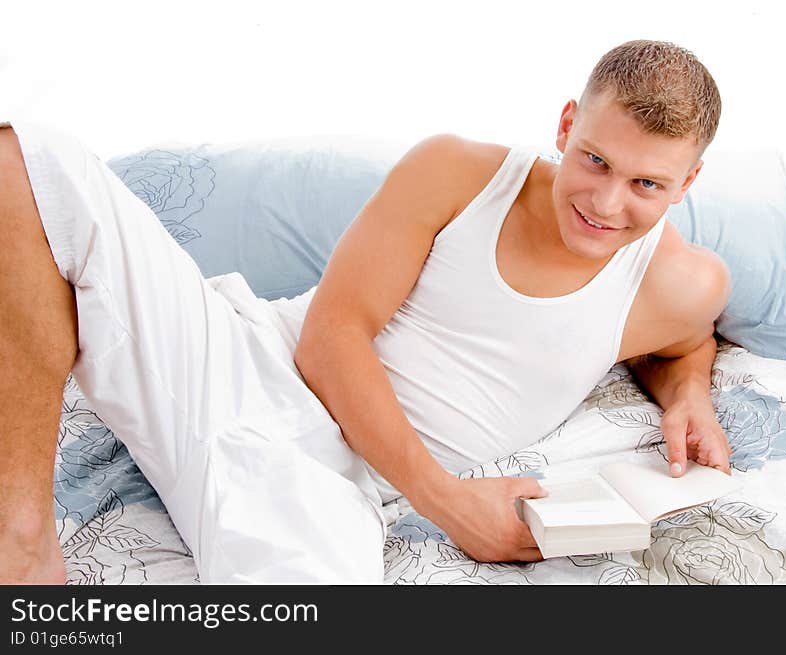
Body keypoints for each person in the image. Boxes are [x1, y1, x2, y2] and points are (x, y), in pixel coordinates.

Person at [0, 39, 731, 585]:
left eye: (645, 183)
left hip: (325, 483)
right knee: (26, 159)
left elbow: (684, 342)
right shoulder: (458, 172)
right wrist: (450, 503)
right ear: (569, 124)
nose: (605, 203)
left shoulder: (682, 285)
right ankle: (23, 539)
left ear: (688, 180)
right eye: (595, 160)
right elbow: (329, 340)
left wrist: (689, 391)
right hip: (233, 356)